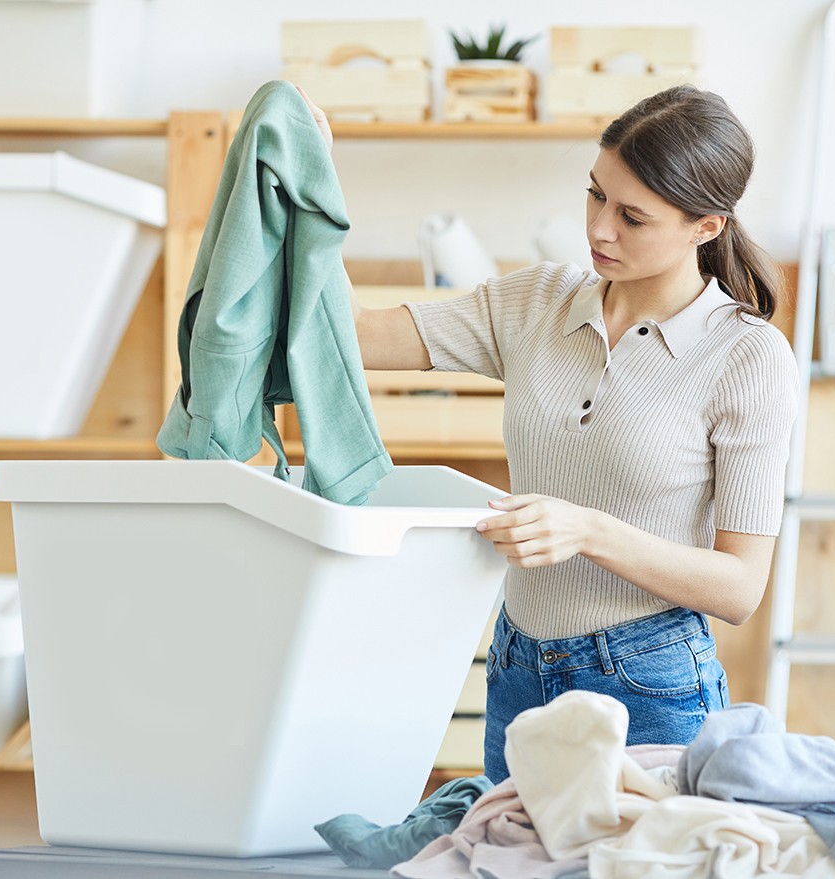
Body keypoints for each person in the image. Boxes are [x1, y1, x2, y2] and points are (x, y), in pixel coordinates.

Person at [300, 84, 799, 783]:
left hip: (649, 688)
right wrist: (310, 174)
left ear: (706, 227)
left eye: (632, 216)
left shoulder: (749, 357)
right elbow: (353, 334)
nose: (599, 229)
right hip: (518, 670)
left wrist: (590, 531)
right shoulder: (535, 301)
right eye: (596, 196)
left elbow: (741, 586)